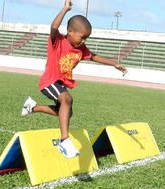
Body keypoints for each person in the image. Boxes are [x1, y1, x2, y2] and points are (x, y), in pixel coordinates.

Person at [21, 0, 127, 159]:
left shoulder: (81, 49)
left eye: (87, 38)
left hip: (60, 83)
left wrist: (114, 64)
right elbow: (54, 27)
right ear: (70, 31)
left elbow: (94, 57)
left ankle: (32, 107)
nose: (84, 41)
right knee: (67, 99)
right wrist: (65, 9)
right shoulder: (58, 41)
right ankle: (64, 141)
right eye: (83, 37)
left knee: (66, 112)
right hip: (49, 81)